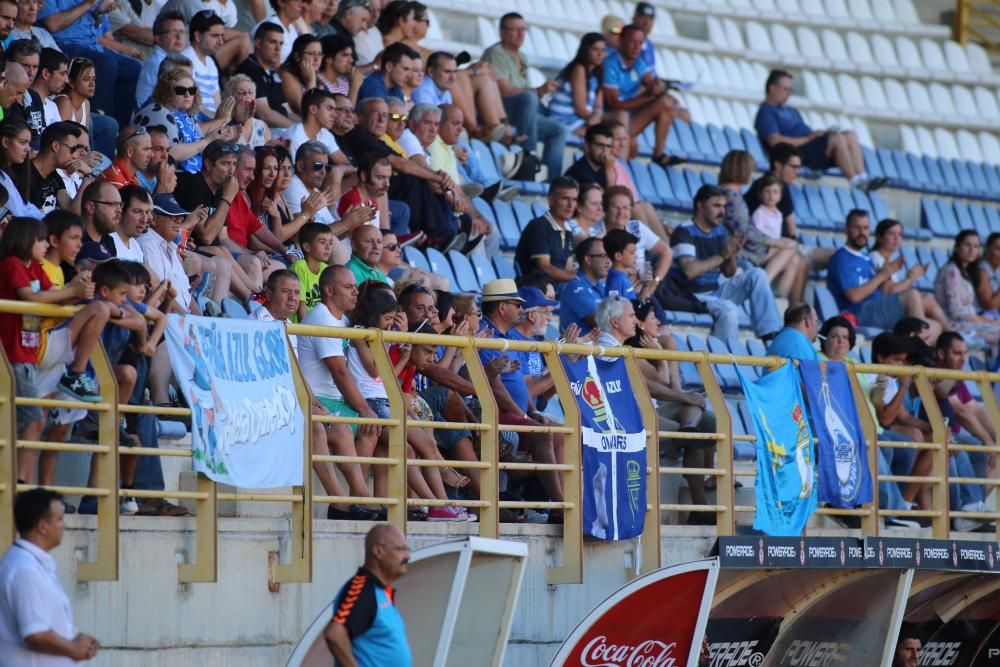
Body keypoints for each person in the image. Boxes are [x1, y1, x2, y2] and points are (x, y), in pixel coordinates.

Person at [297, 265, 384, 509]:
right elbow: (339, 371)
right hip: (320, 400)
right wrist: (365, 409)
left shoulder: (344, 320)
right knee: (370, 424)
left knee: (377, 430)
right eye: (348, 287)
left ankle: (360, 496)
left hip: (335, 401)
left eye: (355, 287)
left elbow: (373, 367)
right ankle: (359, 498)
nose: (355, 292)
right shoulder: (322, 318)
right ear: (328, 290)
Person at [666, 184, 782, 343]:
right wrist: (722, 255)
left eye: (724, 206)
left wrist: (731, 254)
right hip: (691, 296)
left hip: (714, 292)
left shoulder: (720, 231)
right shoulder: (684, 232)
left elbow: (729, 272)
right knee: (729, 310)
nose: (722, 212)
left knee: (758, 274)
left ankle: (770, 334)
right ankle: (724, 359)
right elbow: (689, 271)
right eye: (716, 206)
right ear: (700, 206)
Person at [0, 488, 100, 663]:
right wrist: (74, 648)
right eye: (60, 519)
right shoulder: (25, 569)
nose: (65, 525)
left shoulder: (30, 563)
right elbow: (35, 634)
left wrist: (74, 639)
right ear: (43, 526)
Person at [755, 69, 886, 192]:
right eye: (785, 90)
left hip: (811, 146)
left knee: (850, 134)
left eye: (790, 90)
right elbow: (775, 141)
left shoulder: (790, 110)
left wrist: (817, 134)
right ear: (772, 88)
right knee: (838, 139)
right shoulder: (766, 112)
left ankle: (862, 176)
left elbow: (804, 132)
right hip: (798, 153)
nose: (788, 94)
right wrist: (809, 138)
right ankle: (855, 181)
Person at [827, 209, 948, 339]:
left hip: (876, 308)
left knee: (936, 326)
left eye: (865, 228)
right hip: (858, 313)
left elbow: (884, 291)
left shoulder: (865, 258)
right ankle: (916, 349)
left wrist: (887, 276)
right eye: (857, 228)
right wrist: (884, 275)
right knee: (912, 295)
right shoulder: (842, 257)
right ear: (846, 230)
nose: (862, 232)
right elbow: (854, 297)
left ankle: (936, 345)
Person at [481, 12, 568, 180]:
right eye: (514, 30)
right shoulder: (495, 53)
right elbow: (504, 91)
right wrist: (536, 92)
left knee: (559, 129)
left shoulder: (522, 56)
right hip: (499, 112)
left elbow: (523, 91)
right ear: (502, 32)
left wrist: (539, 92)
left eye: (523, 30)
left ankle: (552, 183)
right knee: (529, 98)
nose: (521, 34)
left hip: (521, 113)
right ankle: (529, 156)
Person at [718, 149, 805, 306]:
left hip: (741, 246)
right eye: (750, 168)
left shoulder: (729, 193)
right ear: (741, 169)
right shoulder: (732, 197)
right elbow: (743, 230)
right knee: (790, 248)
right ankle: (764, 288)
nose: (753, 173)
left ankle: (778, 300)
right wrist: (772, 242)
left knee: (794, 258)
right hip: (739, 250)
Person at [39, 0, 142, 127]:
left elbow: (96, 27)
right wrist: (89, 3)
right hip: (66, 45)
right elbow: (52, 24)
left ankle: (119, 130)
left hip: (94, 45)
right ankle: (102, 117)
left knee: (133, 68)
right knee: (106, 63)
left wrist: (99, 12)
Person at [324, 524, 412, 667]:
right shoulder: (362, 589)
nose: (407, 556)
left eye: (407, 549)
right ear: (378, 551)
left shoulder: (380, 591)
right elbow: (334, 634)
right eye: (401, 549)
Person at [603, 24, 687, 167]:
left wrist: (657, 87)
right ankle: (619, 167)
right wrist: (647, 96)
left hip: (627, 119)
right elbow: (613, 105)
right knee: (622, 116)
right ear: (621, 42)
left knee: (667, 102)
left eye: (640, 43)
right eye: (632, 42)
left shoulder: (638, 63)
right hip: (607, 118)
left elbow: (651, 82)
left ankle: (658, 154)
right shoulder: (610, 64)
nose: (637, 47)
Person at [133, 68, 240, 175]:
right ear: (167, 92)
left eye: (192, 90)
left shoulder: (187, 116)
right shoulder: (158, 111)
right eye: (181, 91)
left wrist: (221, 136)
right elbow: (170, 153)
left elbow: (198, 143)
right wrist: (207, 141)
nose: (187, 95)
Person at [935, 230, 1000, 356]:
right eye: (967, 245)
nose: (972, 250)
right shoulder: (951, 271)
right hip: (954, 325)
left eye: (975, 246)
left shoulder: (964, 272)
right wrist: (980, 320)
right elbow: (955, 312)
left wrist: (982, 318)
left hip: (968, 321)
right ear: (957, 247)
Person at [514, 176, 578, 283]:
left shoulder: (568, 230)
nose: (570, 205)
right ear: (550, 200)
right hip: (535, 293)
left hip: (556, 291)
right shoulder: (538, 226)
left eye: (574, 200)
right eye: (565, 198)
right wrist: (577, 278)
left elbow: (568, 269)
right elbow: (544, 268)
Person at [236, 22, 298, 129]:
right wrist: (297, 130)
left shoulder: (272, 73)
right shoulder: (249, 70)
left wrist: (306, 129)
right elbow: (264, 114)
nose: (278, 48)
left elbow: (288, 111)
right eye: (273, 42)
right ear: (258, 44)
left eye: (281, 43)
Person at [547, 32, 608, 134]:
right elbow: (580, 108)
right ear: (585, 50)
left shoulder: (597, 72)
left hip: (580, 120)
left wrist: (597, 116)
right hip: (564, 121)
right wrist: (594, 120)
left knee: (616, 126)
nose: (600, 54)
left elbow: (599, 106)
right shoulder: (579, 69)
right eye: (595, 49)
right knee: (603, 136)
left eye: (603, 50)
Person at [29, 121, 93, 214]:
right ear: (55, 146)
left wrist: (87, 177)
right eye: (72, 149)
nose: (75, 156)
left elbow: (72, 210)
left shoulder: (53, 175)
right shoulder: (27, 176)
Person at [135, 11, 188, 109]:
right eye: (173, 32)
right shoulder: (158, 63)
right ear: (158, 39)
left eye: (182, 32)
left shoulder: (175, 61)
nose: (179, 37)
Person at [560, 236, 611, 333]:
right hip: (581, 347)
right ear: (588, 260)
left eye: (609, 256)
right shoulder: (574, 287)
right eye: (603, 256)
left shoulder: (604, 286)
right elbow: (599, 322)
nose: (608, 261)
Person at [182, 9, 227, 116]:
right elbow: (191, 105)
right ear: (198, 36)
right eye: (215, 36)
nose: (221, 42)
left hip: (210, 122)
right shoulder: (185, 60)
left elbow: (217, 103)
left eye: (222, 35)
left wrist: (222, 122)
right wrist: (216, 120)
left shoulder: (211, 62)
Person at [287, 87, 348, 164]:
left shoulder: (325, 134)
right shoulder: (294, 135)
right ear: (313, 109)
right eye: (329, 108)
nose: (335, 115)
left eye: (335, 110)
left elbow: (345, 164)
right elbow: (302, 172)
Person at [279, 34, 324, 116]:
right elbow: (304, 110)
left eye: (319, 54)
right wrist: (311, 80)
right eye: (311, 54)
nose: (317, 59)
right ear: (297, 56)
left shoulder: (318, 78)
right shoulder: (286, 74)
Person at [222, 74, 272, 149]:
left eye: (250, 92)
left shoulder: (262, 126)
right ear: (230, 97)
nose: (246, 95)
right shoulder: (223, 124)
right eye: (241, 93)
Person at [98, 125, 152, 190]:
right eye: (146, 149)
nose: (151, 155)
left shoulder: (131, 177)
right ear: (130, 152)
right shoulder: (115, 183)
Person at [565, 123, 615, 188]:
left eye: (608, 146)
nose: (605, 151)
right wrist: (609, 170)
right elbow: (607, 197)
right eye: (600, 145)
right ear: (587, 146)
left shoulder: (602, 169)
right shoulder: (579, 171)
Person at [976, 232, 1000, 315]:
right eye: (998, 249)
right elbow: (989, 307)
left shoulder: (997, 268)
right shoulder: (982, 270)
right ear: (987, 249)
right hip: (983, 318)